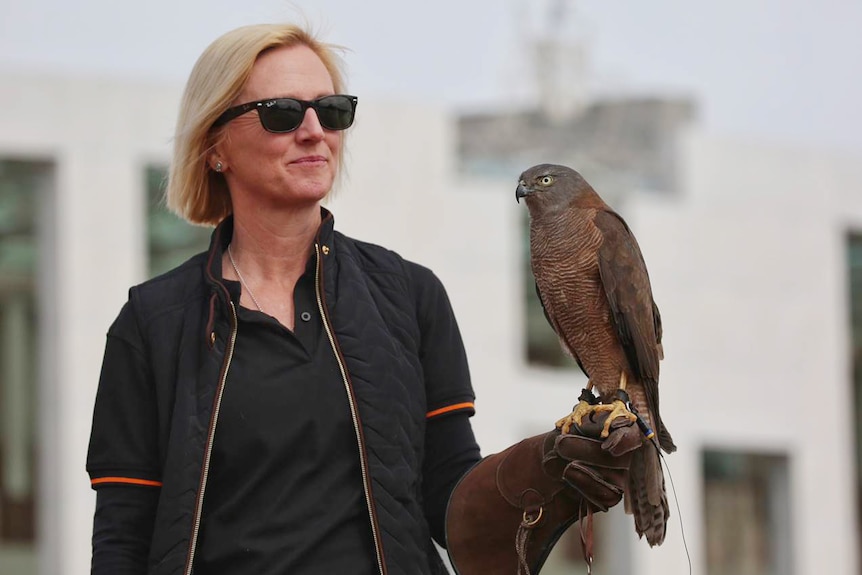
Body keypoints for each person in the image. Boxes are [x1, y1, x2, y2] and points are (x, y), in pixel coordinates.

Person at [86, 22, 637, 575]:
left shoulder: (410, 296)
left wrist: (539, 470)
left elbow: (452, 505)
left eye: (331, 110)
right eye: (281, 112)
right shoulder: (152, 324)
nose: (312, 131)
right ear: (215, 147)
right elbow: (122, 539)